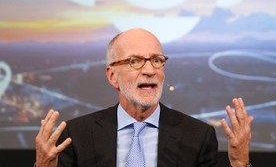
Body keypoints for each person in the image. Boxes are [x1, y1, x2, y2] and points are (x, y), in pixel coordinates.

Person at [35, 28, 254, 167]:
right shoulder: (77, 136)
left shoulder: (197, 136)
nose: (149, 70)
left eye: (157, 60)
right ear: (112, 76)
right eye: (135, 61)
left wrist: (240, 164)